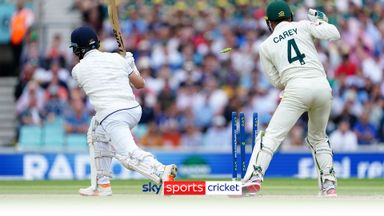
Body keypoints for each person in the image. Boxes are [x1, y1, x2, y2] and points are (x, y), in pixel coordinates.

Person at [242, 1, 340, 197]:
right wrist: (320, 22)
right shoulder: (303, 25)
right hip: (322, 86)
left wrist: (290, 82)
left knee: (271, 136)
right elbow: (334, 34)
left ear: (269, 23)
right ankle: (329, 185)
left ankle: (254, 177)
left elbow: (277, 81)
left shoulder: (265, 46)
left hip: (296, 88)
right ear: (290, 17)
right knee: (318, 137)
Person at [70, 26, 176, 196]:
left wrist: (126, 64)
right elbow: (140, 84)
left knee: (127, 154)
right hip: (133, 110)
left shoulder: (77, 70)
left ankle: (162, 170)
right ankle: (101, 185)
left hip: (113, 115)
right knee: (96, 132)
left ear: (78, 49)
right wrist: (131, 64)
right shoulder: (117, 59)